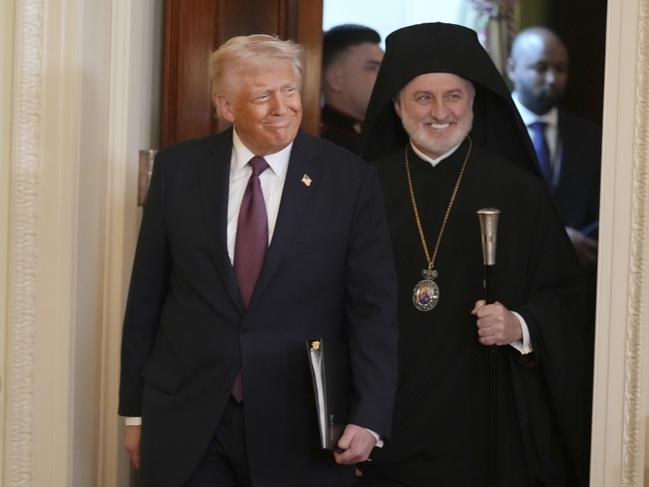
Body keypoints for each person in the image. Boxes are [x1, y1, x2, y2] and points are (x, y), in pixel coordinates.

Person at [119, 34, 398, 487]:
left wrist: (369, 416)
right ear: (226, 107)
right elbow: (147, 296)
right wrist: (133, 411)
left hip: (300, 423)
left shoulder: (350, 179)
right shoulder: (177, 170)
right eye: (263, 96)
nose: (282, 107)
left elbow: (373, 307)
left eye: (289, 91)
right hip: (188, 419)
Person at [358, 23, 591, 486]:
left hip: (486, 420)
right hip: (386, 421)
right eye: (423, 97)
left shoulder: (519, 191)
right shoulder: (361, 189)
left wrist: (520, 325)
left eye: (454, 96)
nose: (440, 112)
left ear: (474, 102)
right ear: (398, 104)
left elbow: (568, 298)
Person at [507, 26, 601, 268]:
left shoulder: (589, 137)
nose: (552, 78)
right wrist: (556, 239)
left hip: (573, 281)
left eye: (561, 69)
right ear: (512, 69)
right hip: (508, 274)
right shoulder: (487, 129)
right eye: (540, 68)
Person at [320, 24, 383, 154]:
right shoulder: (323, 146)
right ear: (335, 79)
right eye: (372, 68)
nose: (385, 76)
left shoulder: (387, 135)